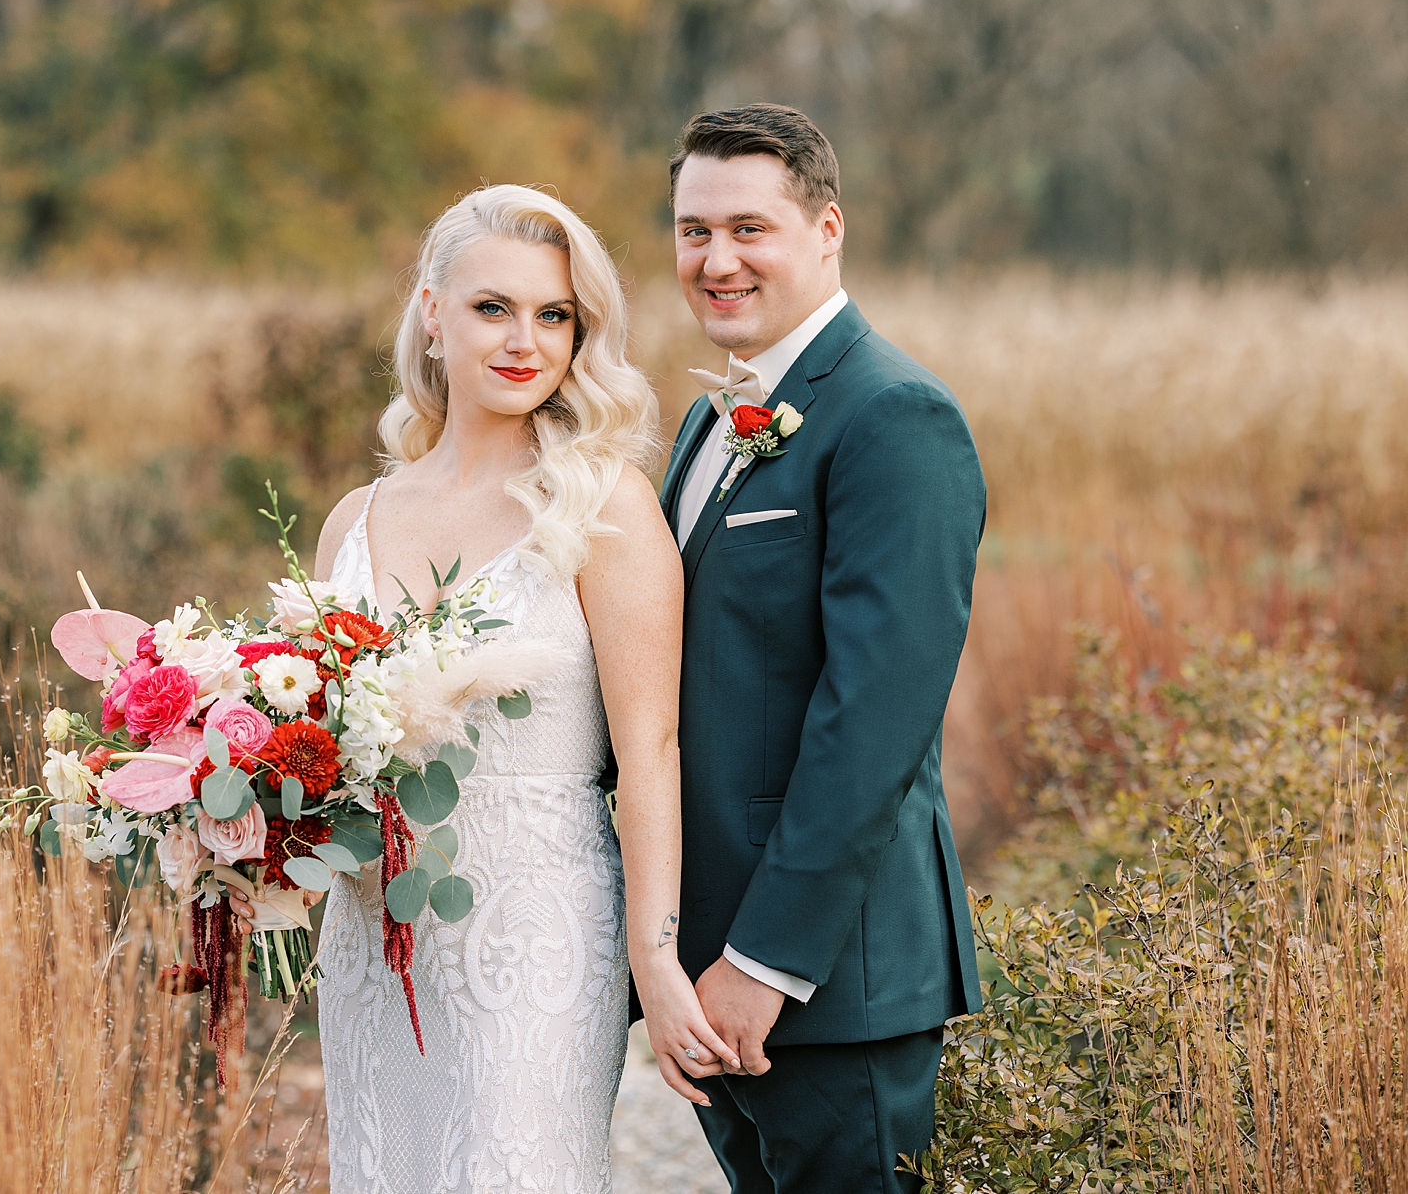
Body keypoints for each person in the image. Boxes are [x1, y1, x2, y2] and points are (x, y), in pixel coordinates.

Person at [234, 183, 731, 1191]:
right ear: (430, 309)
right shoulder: (353, 522)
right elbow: (308, 750)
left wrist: (655, 954)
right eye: (492, 308)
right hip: (377, 938)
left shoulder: (601, 506)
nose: (525, 340)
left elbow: (651, 751)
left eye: (554, 315)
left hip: (540, 934)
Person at [659, 103, 985, 1192]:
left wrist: (762, 963)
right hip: (716, 967)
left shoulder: (895, 416)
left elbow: (871, 724)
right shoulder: (713, 419)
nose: (716, 259)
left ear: (825, 227)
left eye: (748, 228)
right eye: (693, 229)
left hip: (827, 978)